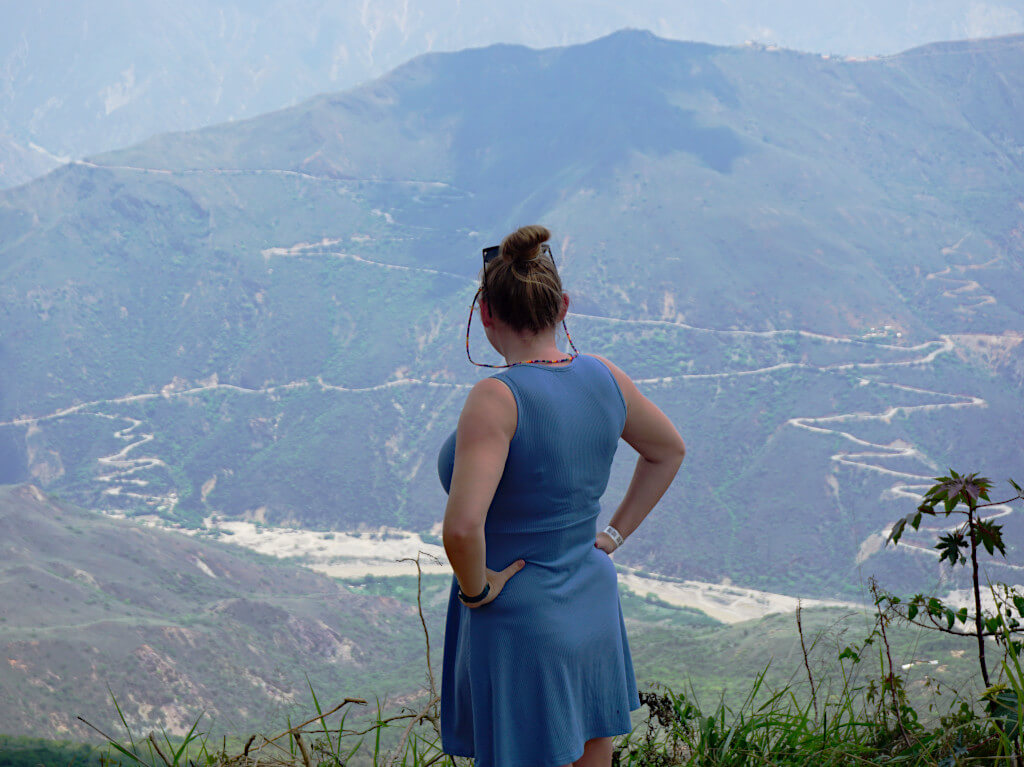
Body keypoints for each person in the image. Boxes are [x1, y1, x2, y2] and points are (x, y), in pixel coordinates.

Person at [438, 224, 686, 767]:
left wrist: (478, 592)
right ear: (563, 306)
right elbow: (668, 451)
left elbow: (461, 529)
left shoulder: (496, 398)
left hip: (519, 616)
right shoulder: (605, 377)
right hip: (591, 601)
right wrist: (613, 535)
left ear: (486, 315)